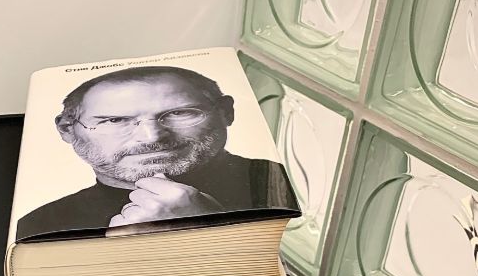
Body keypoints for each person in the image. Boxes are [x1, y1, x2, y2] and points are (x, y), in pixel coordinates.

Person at [16, 65, 295, 240]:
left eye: (179, 113)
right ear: (67, 130)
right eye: (115, 120)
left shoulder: (279, 179)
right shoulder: (39, 225)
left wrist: (209, 228)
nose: (152, 137)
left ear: (226, 113)